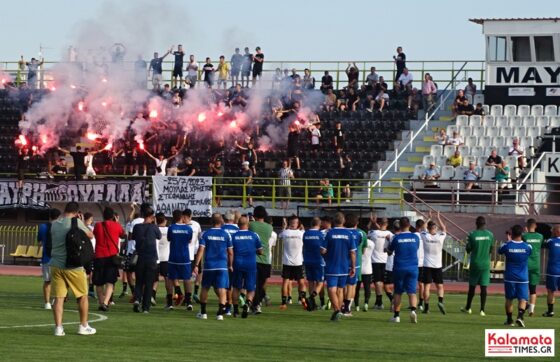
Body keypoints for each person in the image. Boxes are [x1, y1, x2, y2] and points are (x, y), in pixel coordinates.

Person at [49, 201, 96, 336]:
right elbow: (90, 235)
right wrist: (80, 222)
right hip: (73, 265)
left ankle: (58, 328)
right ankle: (83, 325)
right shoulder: (76, 222)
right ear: (77, 212)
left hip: (56, 264)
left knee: (59, 297)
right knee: (82, 296)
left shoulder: (54, 224)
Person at [193, 213, 233, 320]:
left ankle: (203, 312)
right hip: (222, 266)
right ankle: (220, 314)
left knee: (205, 288)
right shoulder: (226, 234)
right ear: (221, 222)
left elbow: (201, 250)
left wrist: (196, 265)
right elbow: (230, 252)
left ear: (211, 222)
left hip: (209, 266)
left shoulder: (205, 234)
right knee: (222, 289)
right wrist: (230, 264)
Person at [320, 212, 356, 322]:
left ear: (333, 221)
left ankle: (336, 310)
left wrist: (324, 254)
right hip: (344, 266)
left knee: (331, 289)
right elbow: (353, 252)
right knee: (340, 290)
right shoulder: (349, 234)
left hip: (332, 265)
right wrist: (353, 267)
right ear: (343, 221)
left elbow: (323, 250)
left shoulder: (329, 233)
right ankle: (338, 311)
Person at [387, 217, 420, 323]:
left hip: (399, 267)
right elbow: (416, 248)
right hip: (413, 267)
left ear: (399, 226)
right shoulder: (415, 237)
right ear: (409, 225)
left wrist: (387, 250)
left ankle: (396, 316)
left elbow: (390, 251)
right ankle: (413, 311)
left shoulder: (396, 238)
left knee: (398, 292)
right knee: (412, 292)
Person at [92, 207, 125, 312]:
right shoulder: (117, 225)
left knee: (98, 282)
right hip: (112, 257)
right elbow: (123, 235)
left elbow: (95, 235)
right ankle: (106, 302)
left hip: (99, 256)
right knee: (110, 282)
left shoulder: (97, 225)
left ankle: (101, 302)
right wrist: (117, 222)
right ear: (113, 216)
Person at [499, 224, 532, 327]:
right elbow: (529, 252)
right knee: (523, 298)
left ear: (511, 233)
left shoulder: (507, 245)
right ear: (521, 233)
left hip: (510, 277)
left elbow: (500, 251)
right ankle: (520, 316)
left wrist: (508, 241)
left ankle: (509, 320)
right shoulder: (528, 247)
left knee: (509, 299)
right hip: (523, 277)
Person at [132, 204, 162, 313]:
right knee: (149, 283)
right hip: (151, 258)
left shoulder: (137, 227)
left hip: (140, 257)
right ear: (152, 216)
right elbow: (159, 236)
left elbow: (133, 237)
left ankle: (137, 299)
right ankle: (145, 307)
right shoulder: (154, 227)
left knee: (139, 281)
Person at [231, 215, 263, 318]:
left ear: (238, 225)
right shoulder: (254, 235)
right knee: (251, 287)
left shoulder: (233, 236)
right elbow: (260, 251)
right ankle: (248, 303)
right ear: (248, 224)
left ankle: (235, 310)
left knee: (236, 287)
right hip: (250, 264)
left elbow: (230, 251)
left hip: (237, 263)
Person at [462, 216, 494, 316]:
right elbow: (491, 249)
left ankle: (468, 307)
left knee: (472, 286)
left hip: (475, 263)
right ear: (485, 224)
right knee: (484, 287)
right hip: (485, 263)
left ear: (476, 224)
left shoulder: (472, 234)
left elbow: (468, 249)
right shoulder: (490, 235)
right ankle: (482, 310)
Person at [278, 215, 308, 310]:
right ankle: (302, 298)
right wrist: (302, 228)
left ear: (290, 223)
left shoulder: (285, 233)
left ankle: (284, 303)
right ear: (298, 223)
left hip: (287, 262)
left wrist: (285, 226)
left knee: (285, 282)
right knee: (301, 282)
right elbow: (304, 233)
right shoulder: (302, 233)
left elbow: (280, 235)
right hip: (298, 261)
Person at [166, 209, 193, 310]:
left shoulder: (171, 228)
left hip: (173, 257)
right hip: (185, 257)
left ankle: (170, 303)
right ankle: (189, 302)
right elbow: (189, 240)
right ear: (182, 217)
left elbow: (169, 239)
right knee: (187, 279)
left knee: (171, 278)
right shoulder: (188, 228)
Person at [421, 213, 447, 315]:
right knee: (439, 286)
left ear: (428, 228)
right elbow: (444, 229)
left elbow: (423, 227)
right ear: (435, 228)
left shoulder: (425, 235)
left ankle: (426, 307)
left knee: (427, 287)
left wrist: (428, 218)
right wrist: (439, 217)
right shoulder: (440, 237)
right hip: (437, 266)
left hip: (427, 265)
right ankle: (440, 301)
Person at [249, 206, 273, 314]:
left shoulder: (251, 225)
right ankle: (257, 303)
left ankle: (255, 304)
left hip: (254, 258)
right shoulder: (269, 227)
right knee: (261, 284)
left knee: (254, 284)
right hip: (266, 259)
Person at [367, 215, 393, 310]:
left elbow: (368, 230)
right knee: (384, 283)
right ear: (387, 224)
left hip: (375, 261)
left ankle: (380, 303)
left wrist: (372, 222)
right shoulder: (390, 234)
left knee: (378, 282)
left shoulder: (373, 233)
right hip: (387, 261)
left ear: (380, 223)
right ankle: (379, 302)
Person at [38, 208, 61, 310]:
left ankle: (47, 303)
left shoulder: (43, 226)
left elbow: (39, 241)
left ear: (49, 216)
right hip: (59, 258)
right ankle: (55, 300)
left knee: (47, 281)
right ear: (59, 217)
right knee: (58, 281)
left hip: (46, 257)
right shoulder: (61, 227)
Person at [302, 217, 325, 311]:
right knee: (320, 282)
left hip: (307, 260)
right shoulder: (321, 234)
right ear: (319, 225)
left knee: (310, 281)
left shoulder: (305, 233)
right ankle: (312, 297)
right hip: (318, 260)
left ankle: (312, 304)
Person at [522, 218, 544, 316]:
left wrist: (525, 233)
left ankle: (525, 304)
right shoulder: (540, 236)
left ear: (526, 226)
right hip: (536, 264)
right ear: (535, 226)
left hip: (526, 264)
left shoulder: (524, 236)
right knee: (533, 288)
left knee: (524, 287)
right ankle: (531, 310)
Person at [183, 209, 202, 304]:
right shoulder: (181, 225)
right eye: (184, 217)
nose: (185, 219)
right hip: (186, 254)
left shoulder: (196, 224)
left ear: (190, 217)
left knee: (199, 272)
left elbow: (199, 237)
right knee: (187, 276)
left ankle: (195, 292)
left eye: (187, 217)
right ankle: (187, 296)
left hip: (196, 252)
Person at [355, 227, 374, 312]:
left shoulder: (356, 241)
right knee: (367, 288)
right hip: (367, 268)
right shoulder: (372, 243)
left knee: (356, 288)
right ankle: (366, 303)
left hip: (358, 267)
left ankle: (356, 305)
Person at [543, 225, 560, 317]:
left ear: (556, 232)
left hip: (552, 271)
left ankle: (550, 311)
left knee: (550, 291)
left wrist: (551, 234)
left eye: (553, 230)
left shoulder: (551, 241)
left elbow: (544, 244)